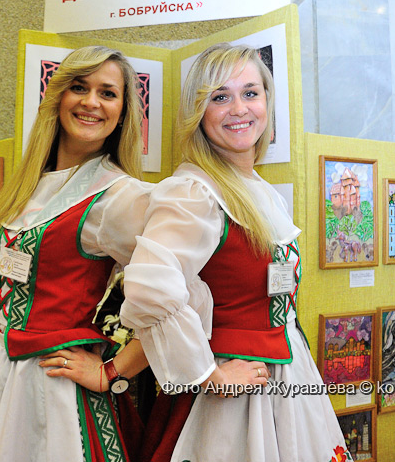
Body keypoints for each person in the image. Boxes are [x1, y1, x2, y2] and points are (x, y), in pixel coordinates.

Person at [121, 44, 349, 462]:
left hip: (287, 376)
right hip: (231, 401)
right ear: (198, 111)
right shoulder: (194, 192)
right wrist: (209, 375)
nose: (239, 108)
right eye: (220, 96)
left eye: (250, 93)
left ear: (267, 102)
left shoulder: (260, 190)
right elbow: (148, 289)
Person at [0, 46, 152, 462]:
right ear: (58, 97)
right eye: (79, 87)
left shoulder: (121, 196)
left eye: (107, 93)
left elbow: (181, 296)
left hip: (54, 389)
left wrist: (113, 370)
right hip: (1, 370)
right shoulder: (29, 183)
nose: (91, 102)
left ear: (123, 113)